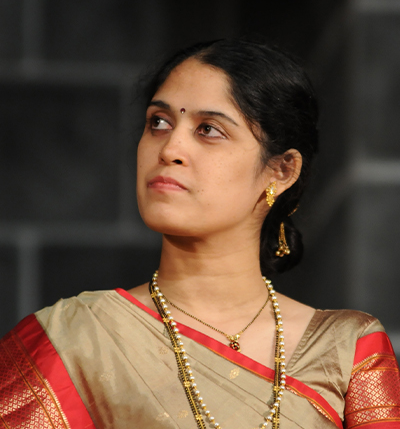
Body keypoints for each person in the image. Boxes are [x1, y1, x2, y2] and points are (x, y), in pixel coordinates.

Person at [1, 38, 399, 429]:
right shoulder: (73, 340)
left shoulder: (346, 350)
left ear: (281, 171)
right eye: (158, 123)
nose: (170, 148)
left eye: (208, 129)